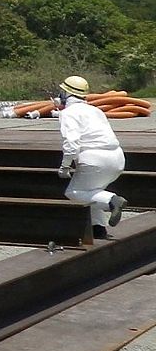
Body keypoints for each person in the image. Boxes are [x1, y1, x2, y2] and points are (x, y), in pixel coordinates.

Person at [56, 75, 127, 241]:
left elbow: (72, 143)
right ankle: (98, 229)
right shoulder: (96, 110)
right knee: (92, 191)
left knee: (75, 191)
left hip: (94, 159)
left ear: (66, 94)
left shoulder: (68, 113)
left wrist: (65, 166)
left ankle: (111, 201)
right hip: (116, 157)